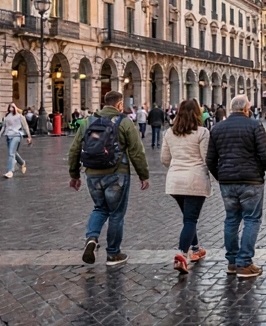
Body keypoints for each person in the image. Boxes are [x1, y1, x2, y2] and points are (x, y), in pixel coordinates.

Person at [68, 90, 150, 267]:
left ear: (104, 103)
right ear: (119, 104)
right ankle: (113, 254)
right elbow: (136, 151)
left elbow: (74, 150)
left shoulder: (87, 121)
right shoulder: (125, 122)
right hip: (117, 174)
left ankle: (92, 237)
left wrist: (74, 175)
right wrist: (143, 175)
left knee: (99, 208)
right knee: (116, 214)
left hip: (92, 174)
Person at [206, 95, 266, 279]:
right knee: (252, 220)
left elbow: (210, 159)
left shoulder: (217, 128)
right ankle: (245, 263)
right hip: (251, 181)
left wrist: (221, 176)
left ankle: (232, 262)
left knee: (231, 220)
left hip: (227, 182)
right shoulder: (254, 125)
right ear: (247, 109)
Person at [161, 98, 211, 274]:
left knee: (188, 217)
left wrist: (177, 168)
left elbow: (164, 159)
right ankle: (182, 254)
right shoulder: (202, 132)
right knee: (190, 219)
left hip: (175, 181)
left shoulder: (169, 133)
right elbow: (206, 158)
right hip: (195, 179)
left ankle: (196, 249)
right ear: (197, 113)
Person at [0, 103, 32, 178]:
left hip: (16, 135)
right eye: (10, 107)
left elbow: (25, 127)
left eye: (13, 106)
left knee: (11, 153)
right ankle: (22, 162)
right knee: (13, 152)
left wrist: (29, 137)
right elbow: (4, 127)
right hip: (8, 136)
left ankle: (10, 171)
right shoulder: (7, 117)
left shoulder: (20, 116)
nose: (11, 108)